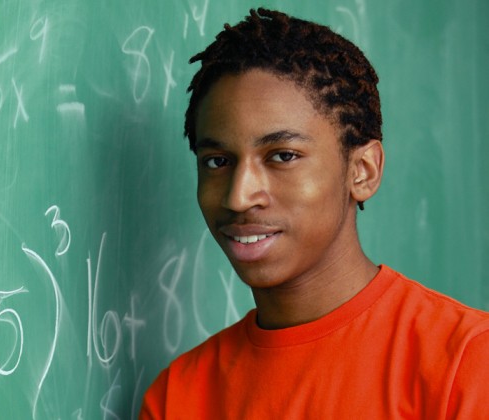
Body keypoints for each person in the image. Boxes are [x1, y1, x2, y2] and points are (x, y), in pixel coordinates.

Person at [140, 8, 489, 419]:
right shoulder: (178, 397)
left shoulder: (465, 364)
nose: (238, 197)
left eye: (282, 156)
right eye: (217, 161)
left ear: (362, 171)